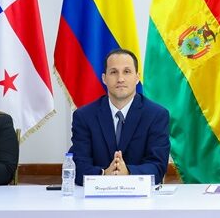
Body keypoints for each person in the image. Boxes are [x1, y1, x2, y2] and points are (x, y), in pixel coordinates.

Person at [69, 48, 170, 185]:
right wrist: (104, 174)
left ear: (137, 77)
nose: (120, 79)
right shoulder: (84, 116)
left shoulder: (156, 115)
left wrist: (128, 173)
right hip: (98, 194)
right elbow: (78, 165)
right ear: (104, 78)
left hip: (140, 196)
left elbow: (158, 167)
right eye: (113, 72)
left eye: (127, 72)